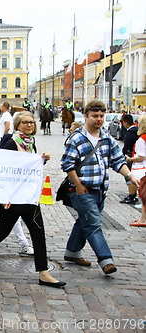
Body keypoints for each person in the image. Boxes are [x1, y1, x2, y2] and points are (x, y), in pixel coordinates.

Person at [0, 111, 66, 288]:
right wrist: (5, 195)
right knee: (2, 231)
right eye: (26, 122)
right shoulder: (12, 142)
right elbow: (2, 167)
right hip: (12, 198)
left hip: (30, 197)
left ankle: (43, 273)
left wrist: (41, 160)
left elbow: (27, 167)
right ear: (18, 125)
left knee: (38, 233)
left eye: (32, 122)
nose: (29, 125)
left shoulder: (30, 142)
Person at [61, 100, 140, 275]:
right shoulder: (76, 138)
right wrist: (78, 184)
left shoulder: (106, 138)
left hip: (101, 190)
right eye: (95, 116)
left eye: (101, 116)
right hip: (82, 190)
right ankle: (106, 260)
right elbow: (67, 165)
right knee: (94, 224)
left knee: (85, 221)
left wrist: (131, 176)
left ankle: (72, 252)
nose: (99, 119)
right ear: (86, 116)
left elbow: (117, 161)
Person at [128, 116, 146, 227]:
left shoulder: (141, 139)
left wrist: (130, 159)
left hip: (141, 169)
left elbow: (141, 156)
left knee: (143, 196)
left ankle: (143, 219)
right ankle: (143, 218)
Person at [120, 114, 139, 204]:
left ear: (126, 123)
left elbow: (127, 146)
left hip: (130, 157)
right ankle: (133, 194)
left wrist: (125, 155)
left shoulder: (130, 133)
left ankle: (131, 196)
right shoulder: (137, 131)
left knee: (129, 176)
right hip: (135, 156)